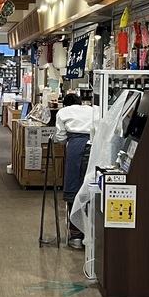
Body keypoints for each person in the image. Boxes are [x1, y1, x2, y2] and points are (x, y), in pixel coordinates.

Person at [54, 92, 95, 250]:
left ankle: (77, 234)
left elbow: (60, 138)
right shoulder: (93, 109)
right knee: (93, 188)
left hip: (76, 148)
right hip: (95, 146)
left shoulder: (63, 112)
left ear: (65, 104)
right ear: (81, 102)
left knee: (74, 188)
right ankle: (93, 233)